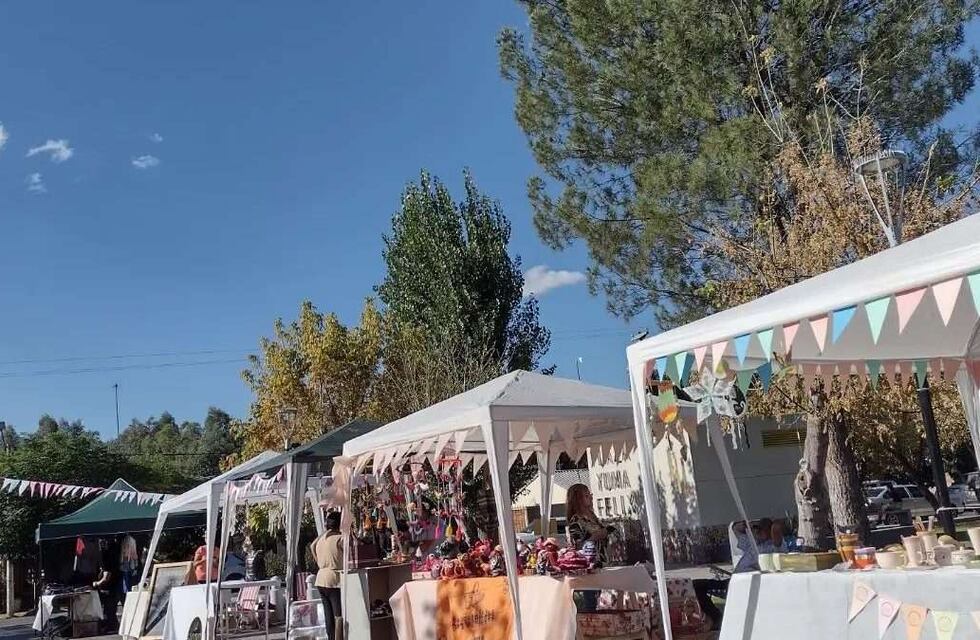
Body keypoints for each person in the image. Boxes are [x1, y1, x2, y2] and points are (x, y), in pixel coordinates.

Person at [565, 484, 609, 612]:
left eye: (589, 494)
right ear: (578, 499)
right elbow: (578, 544)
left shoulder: (592, 516)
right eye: (586, 495)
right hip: (588, 566)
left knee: (601, 598)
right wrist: (595, 536)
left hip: (601, 562)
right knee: (591, 600)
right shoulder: (576, 520)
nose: (590, 497)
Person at [312, 511, 343, 640]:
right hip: (333, 579)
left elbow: (312, 546)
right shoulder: (340, 538)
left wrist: (318, 560)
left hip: (321, 578)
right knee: (338, 616)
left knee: (328, 615)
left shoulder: (321, 539)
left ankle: (331, 638)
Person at [93, 538, 122, 633]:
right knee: (110, 609)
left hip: (110, 588)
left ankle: (111, 626)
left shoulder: (108, 559)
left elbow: (106, 577)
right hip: (114, 586)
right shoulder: (114, 558)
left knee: (109, 609)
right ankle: (112, 625)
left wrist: (96, 583)